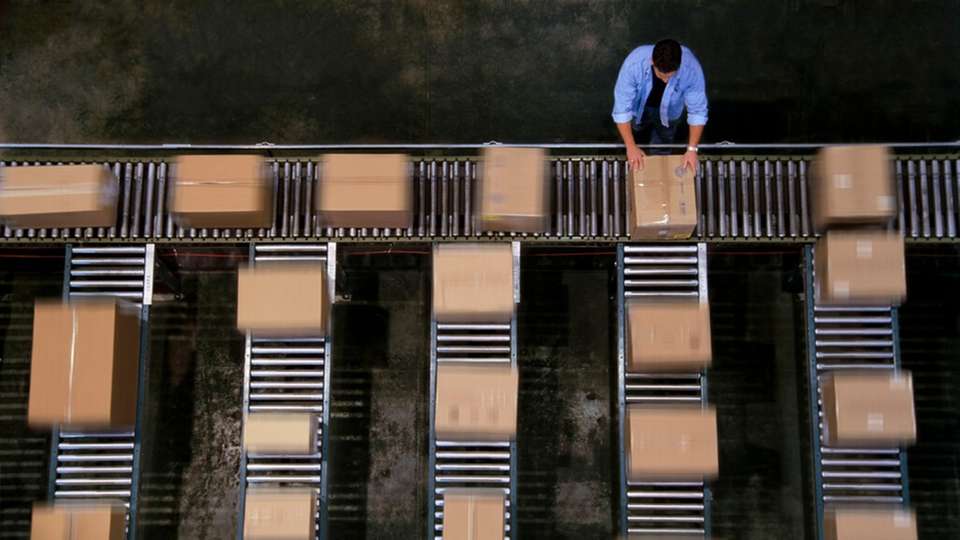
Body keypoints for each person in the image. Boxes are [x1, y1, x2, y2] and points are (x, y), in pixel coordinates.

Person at [611, 38, 708, 172]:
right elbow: (622, 110)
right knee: (634, 131)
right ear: (652, 61)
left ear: (679, 65)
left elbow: (698, 112)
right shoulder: (633, 63)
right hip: (639, 109)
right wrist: (631, 146)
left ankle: (659, 169)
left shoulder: (691, 69)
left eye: (670, 76)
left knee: (663, 139)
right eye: (661, 75)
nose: (665, 80)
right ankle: (629, 148)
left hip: (670, 113)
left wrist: (692, 149)